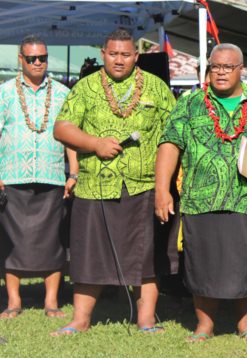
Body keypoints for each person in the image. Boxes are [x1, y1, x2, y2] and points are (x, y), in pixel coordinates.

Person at [156, 43, 247, 343]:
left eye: (228, 67)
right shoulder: (190, 104)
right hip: (200, 199)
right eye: (215, 66)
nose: (220, 72)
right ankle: (205, 324)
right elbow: (169, 144)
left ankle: (246, 325)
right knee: (202, 262)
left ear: (240, 69)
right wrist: (162, 190)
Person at [52, 28, 176, 335]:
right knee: (88, 254)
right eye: (113, 54)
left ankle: (146, 320)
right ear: (103, 54)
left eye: (125, 54)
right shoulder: (87, 87)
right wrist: (94, 143)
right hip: (96, 185)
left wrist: (165, 188)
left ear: (136, 56)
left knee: (145, 255)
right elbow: (62, 127)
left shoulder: (156, 88)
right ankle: (81, 320)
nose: (119, 60)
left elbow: (172, 137)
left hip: (143, 184)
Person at [0, 36, 77, 319]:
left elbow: (71, 137)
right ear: (20, 59)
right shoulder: (4, 92)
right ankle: (13, 302)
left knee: (51, 241)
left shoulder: (62, 93)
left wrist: (74, 172)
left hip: (52, 175)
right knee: (11, 242)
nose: (37, 63)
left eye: (42, 58)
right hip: (12, 176)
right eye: (31, 58)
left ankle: (52, 302)